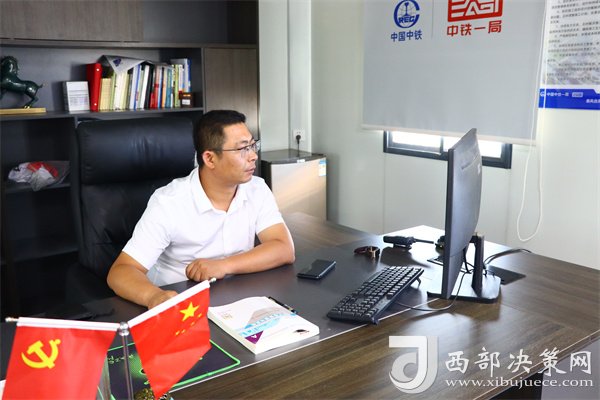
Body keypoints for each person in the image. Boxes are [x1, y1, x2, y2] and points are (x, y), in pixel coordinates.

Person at [107, 110, 295, 308]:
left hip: (238, 296)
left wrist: (223, 266)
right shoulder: (168, 203)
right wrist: (154, 297)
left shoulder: (256, 188)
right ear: (210, 159)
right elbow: (121, 271)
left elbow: (283, 248)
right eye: (242, 149)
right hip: (182, 302)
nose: (253, 156)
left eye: (252, 145)